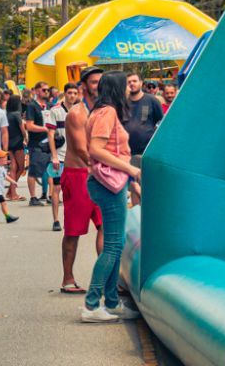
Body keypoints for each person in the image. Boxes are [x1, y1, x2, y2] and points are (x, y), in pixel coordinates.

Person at [81, 71, 140, 323]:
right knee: (113, 245)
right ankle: (92, 305)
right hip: (109, 183)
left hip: (106, 183)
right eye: (126, 84)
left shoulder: (98, 111)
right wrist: (130, 169)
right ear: (117, 88)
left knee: (115, 246)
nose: (129, 88)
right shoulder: (108, 113)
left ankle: (112, 302)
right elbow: (95, 149)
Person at [61, 66, 104, 294]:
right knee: (73, 231)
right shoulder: (77, 113)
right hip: (79, 176)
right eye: (95, 82)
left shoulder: (105, 111)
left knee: (105, 226)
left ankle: (104, 279)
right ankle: (68, 278)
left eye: (101, 82)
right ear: (84, 86)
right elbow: (81, 149)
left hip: (101, 175)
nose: (98, 86)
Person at [123, 73, 163, 207]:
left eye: (134, 81)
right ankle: (137, 216)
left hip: (148, 152)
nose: (132, 84)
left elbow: (161, 123)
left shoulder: (152, 101)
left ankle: (151, 214)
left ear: (141, 83)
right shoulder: (122, 102)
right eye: (129, 82)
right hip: (127, 153)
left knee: (149, 185)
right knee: (134, 185)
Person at [47, 82, 79, 229]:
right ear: (64, 94)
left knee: (73, 190)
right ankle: (55, 220)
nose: (72, 96)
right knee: (57, 188)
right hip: (59, 156)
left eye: (74, 93)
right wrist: (54, 155)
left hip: (76, 157)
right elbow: (51, 134)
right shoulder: (56, 110)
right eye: (69, 93)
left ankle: (71, 218)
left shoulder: (80, 111)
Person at [25, 81, 52, 205]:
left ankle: (51, 195)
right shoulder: (32, 106)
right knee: (34, 170)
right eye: (43, 90)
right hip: (37, 143)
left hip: (50, 143)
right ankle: (33, 197)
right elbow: (29, 126)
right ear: (36, 91)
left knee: (51, 169)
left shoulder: (49, 105)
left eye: (47, 90)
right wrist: (45, 129)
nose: (46, 92)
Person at [5, 95, 26, 201]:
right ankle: (12, 193)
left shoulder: (6, 114)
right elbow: (22, 130)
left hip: (8, 143)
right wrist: (26, 139)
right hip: (18, 143)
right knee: (21, 167)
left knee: (13, 167)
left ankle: (11, 192)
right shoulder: (17, 114)